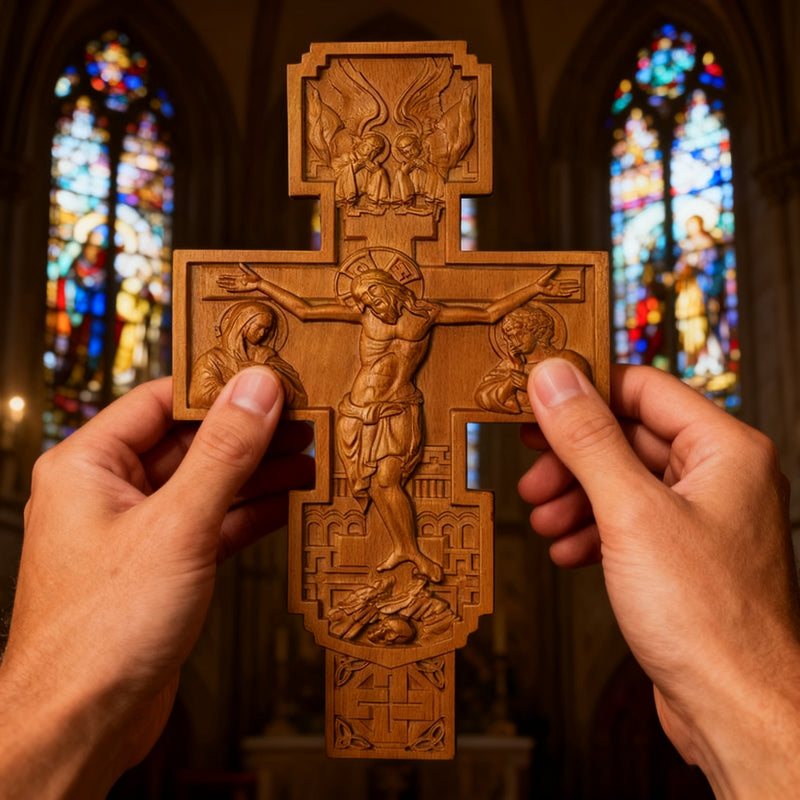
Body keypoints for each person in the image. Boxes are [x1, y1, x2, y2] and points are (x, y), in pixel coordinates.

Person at [0, 359, 798, 796]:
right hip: (365, 422)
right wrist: (746, 696)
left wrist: (56, 708)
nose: (373, 302)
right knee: (376, 490)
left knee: (389, 487)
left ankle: (408, 558)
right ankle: (404, 559)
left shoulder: (411, 331)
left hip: (400, 419)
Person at [188, 300, 307, 409]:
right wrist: (247, 391)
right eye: (259, 327)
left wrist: (265, 370)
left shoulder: (266, 355)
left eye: (267, 329)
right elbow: (199, 396)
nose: (262, 333)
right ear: (243, 324)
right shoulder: (212, 359)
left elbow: (298, 396)